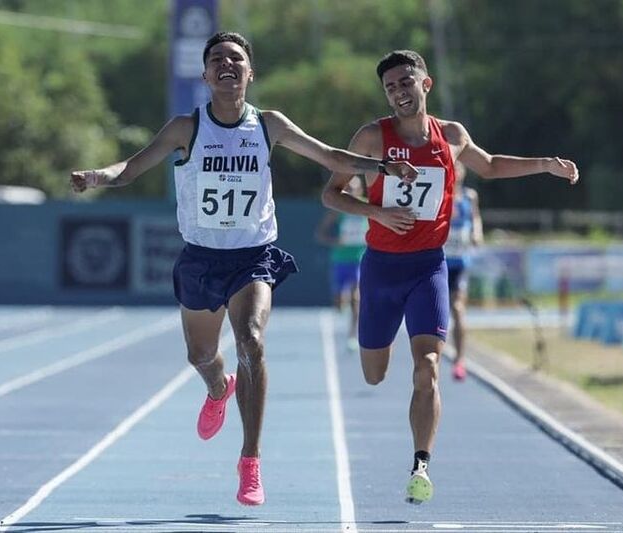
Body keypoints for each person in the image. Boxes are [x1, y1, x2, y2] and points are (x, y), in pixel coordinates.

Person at [70, 32, 416, 506]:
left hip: (253, 253)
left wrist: (380, 167)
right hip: (201, 258)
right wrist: (96, 176)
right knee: (201, 356)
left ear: (251, 73)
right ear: (206, 75)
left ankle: (250, 461)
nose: (227, 65)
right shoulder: (184, 128)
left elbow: (331, 158)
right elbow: (130, 168)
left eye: (237, 59)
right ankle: (218, 387)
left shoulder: (269, 124)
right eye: (217, 60)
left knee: (251, 339)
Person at [321, 50, 578, 505]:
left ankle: (420, 465)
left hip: (428, 266)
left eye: (406, 82)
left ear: (426, 84)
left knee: (430, 368)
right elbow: (331, 194)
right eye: (391, 87)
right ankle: (387, 342)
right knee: (375, 374)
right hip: (381, 268)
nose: (399, 92)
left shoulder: (452, 136)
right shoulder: (370, 138)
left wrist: (546, 164)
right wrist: (377, 212)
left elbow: (493, 165)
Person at [315, 177, 369, 350]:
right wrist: (335, 241)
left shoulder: (367, 207)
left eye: (355, 189)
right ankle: (342, 305)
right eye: (349, 188)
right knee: (340, 302)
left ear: (361, 190)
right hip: (340, 259)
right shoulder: (338, 209)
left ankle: (353, 334)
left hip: (358, 258)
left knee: (356, 297)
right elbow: (320, 234)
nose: (352, 192)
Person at [443, 160, 483, 381]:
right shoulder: (438, 195)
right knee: (437, 313)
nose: (455, 172)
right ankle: (435, 356)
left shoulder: (469, 196)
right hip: (438, 262)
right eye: (452, 168)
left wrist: (477, 233)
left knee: (457, 309)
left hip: (460, 262)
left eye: (458, 168)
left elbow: (475, 218)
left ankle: (459, 359)